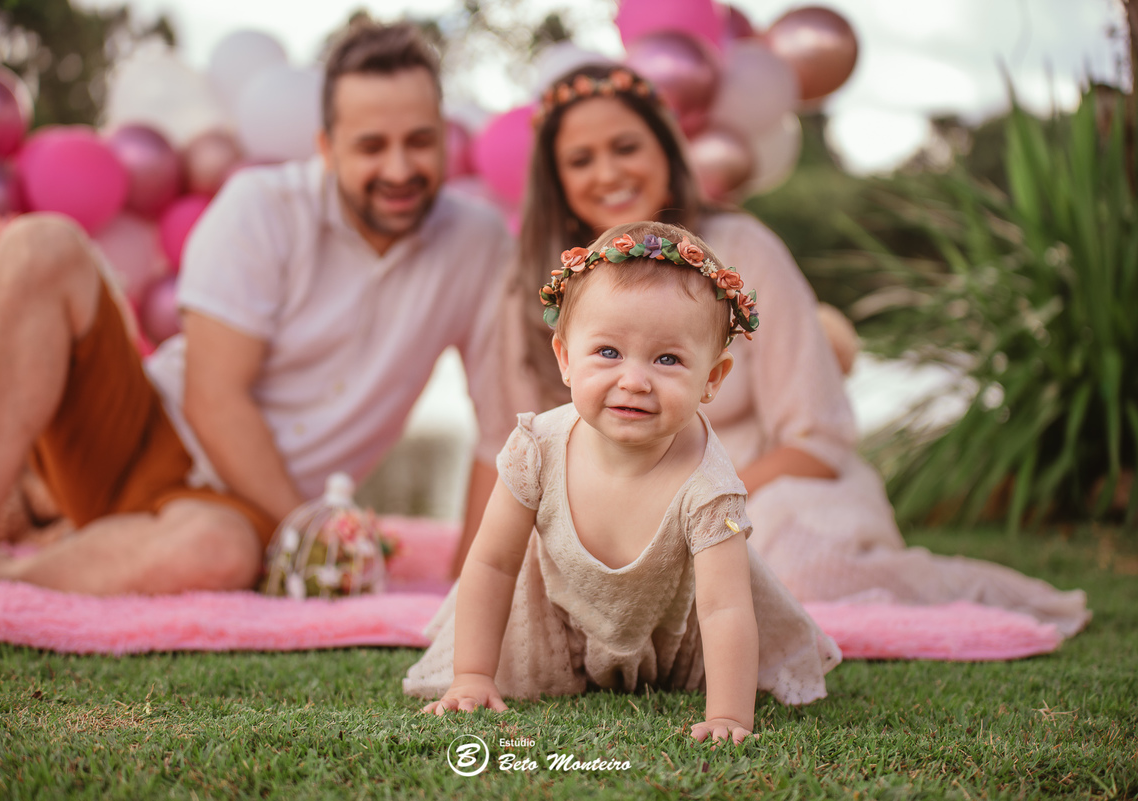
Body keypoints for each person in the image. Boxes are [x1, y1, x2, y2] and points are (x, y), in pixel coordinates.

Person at [454, 63, 1089, 637]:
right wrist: (463, 570)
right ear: (556, 179)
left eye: (626, 147)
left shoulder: (743, 248)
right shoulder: (533, 281)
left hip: (760, 486)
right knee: (532, 571)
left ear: (665, 152)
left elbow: (817, 438)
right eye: (581, 159)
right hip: (609, 501)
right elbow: (503, 443)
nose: (609, 172)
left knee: (796, 565)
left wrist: (692, 505)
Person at [0, 20, 513, 594]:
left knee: (218, 552)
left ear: (443, 136)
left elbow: (498, 427)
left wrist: (467, 584)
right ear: (327, 149)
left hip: (242, 511)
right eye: (371, 146)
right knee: (43, 244)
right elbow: (213, 400)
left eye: (419, 141)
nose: (399, 169)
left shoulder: (481, 245)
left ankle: (6, 575)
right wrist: (309, 526)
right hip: (144, 430)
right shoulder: (261, 206)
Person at [405, 222, 840, 743]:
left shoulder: (708, 486)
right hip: (555, 627)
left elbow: (725, 606)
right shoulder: (537, 448)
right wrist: (473, 675)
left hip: (674, 644)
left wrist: (727, 716)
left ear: (712, 379)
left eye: (668, 359)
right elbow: (492, 563)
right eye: (608, 352)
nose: (634, 380)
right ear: (565, 358)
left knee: (724, 611)